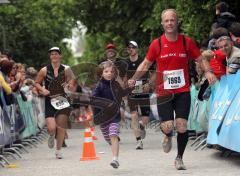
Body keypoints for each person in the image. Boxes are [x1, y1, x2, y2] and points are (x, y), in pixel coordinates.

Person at [128, 9, 216, 170]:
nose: (169, 23)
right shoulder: (157, 44)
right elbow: (146, 64)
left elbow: (200, 58)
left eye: (172, 20)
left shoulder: (186, 42)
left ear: (177, 22)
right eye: (166, 21)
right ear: (162, 24)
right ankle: (167, 135)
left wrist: (208, 71)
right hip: (164, 93)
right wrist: (134, 78)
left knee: (182, 125)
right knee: (168, 126)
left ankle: (179, 158)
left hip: (182, 91)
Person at [35, 47, 75, 159]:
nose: (54, 56)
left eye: (56, 54)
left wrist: (69, 85)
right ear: (50, 56)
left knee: (61, 126)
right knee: (52, 127)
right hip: (49, 100)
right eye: (52, 54)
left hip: (62, 100)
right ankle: (52, 135)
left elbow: (72, 80)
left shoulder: (66, 69)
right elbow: (37, 83)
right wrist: (43, 90)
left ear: (60, 56)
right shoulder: (44, 70)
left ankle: (58, 151)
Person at [93, 60, 132, 169]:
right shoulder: (99, 86)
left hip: (115, 115)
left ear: (114, 73)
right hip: (103, 118)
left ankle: (115, 159)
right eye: (106, 71)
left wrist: (130, 88)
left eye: (111, 71)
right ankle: (114, 142)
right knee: (109, 138)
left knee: (113, 134)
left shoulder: (116, 85)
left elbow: (122, 93)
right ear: (101, 73)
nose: (109, 73)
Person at [125, 41, 152, 150]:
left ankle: (141, 126)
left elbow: (152, 74)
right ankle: (138, 141)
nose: (131, 49)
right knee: (134, 116)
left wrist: (149, 84)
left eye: (133, 47)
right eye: (129, 47)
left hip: (143, 90)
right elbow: (123, 78)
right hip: (131, 92)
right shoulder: (125, 63)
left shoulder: (144, 61)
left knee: (145, 118)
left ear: (137, 49)